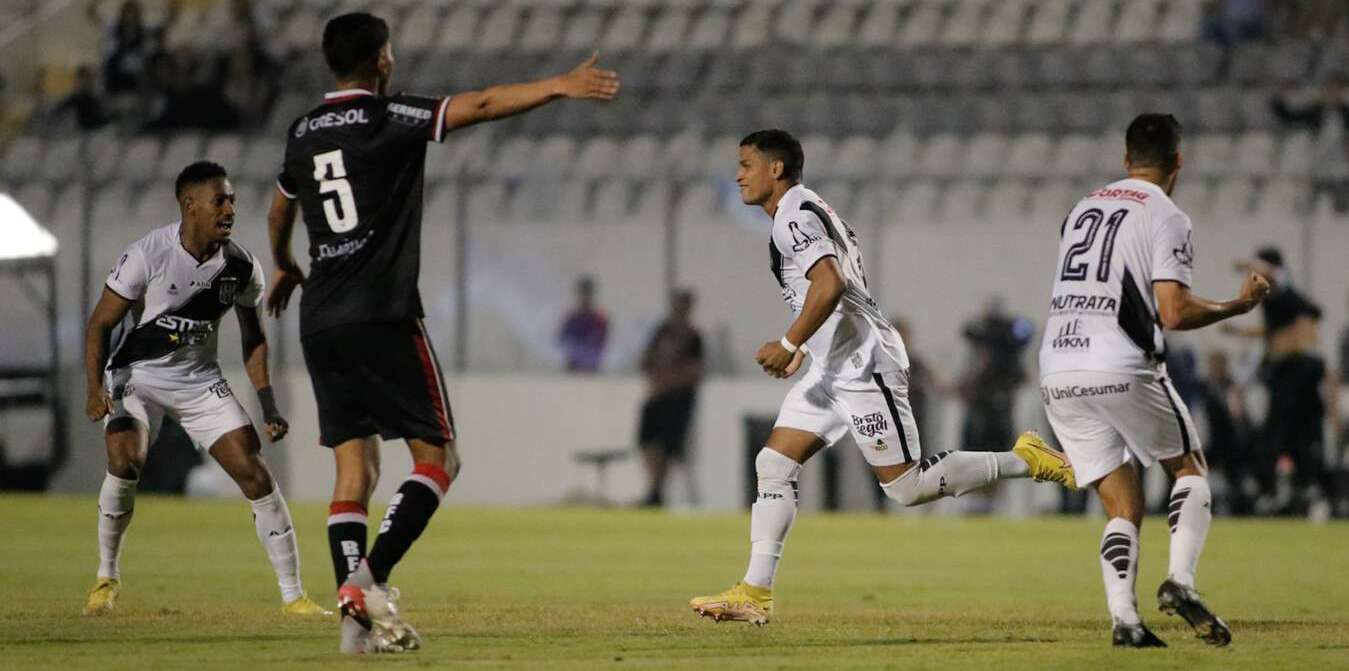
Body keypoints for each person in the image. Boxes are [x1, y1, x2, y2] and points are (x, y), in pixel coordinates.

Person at [265, 12, 618, 654]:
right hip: (383, 312)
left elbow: (281, 202)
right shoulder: (386, 117)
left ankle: (355, 630)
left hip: (321, 320)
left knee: (355, 472)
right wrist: (559, 84)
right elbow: (479, 104)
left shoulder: (302, 130)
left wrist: (286, 263)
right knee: (438, 459)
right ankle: (367, 582)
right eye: (391, 51)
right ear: (380, 60)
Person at [689, 129, 1076, 626]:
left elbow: (830, 284)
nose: (739, 174)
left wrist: (788, 343)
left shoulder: (792, 218)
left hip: (863, 366)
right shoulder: (813, 210)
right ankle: (754, 593)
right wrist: (808, 344)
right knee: (774, 462)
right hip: (835, 364)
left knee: (907, 488)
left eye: (746, 164)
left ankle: (1026, 459)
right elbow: (838, 292)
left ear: (776, 169)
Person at [1038, 114, 1270, 648]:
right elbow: (1172, 311)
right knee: (1189, 467)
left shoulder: (1079, 210)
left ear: (1125, 160)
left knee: (1121, 506)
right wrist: (1238, 304)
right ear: (1178, 162)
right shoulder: (1167, 214)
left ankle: (1125, 619)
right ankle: (1181, 582)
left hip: (1058, 366)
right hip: (1120, 362)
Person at [81, 161, 326, 618]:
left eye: (232, 199)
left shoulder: (240, 265)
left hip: (199, 382)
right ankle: (106, 577)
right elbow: (100, 323)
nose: (229, 208)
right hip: (139, 375)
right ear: (189, 206)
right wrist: (95, 389)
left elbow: (253, 338)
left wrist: (268, 404)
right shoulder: (147, 254)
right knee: (125, 459)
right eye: (220, 200)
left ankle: (294, 597)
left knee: (255, 474)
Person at [637, 289, 705, 507]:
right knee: (649, 443)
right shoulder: (662, 332)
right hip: (656, 398)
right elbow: (646, 360)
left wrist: (667, 383)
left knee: (668, 447)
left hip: (678, 401)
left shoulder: (693, 337)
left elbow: (695, 372)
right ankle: (654, 490)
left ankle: (656, 492)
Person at [1271, 73, 1349, 213]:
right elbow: (1290, 117)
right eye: (1330, 90)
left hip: (1341, 167)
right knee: (1306, 209)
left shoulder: (1346, 113)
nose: (1333, 94)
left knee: (1342, 209)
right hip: (1317, 164)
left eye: (1337, 90)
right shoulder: (1315, 111)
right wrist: (1277, 100)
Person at [557, 276, 609, 373]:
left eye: (587, 294)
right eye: (583, 293)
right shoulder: (572, 318)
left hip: (591, 362)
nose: (585, 297)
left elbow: (602, 342)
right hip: (576, 362)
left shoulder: (599, 319)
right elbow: (562, 338)